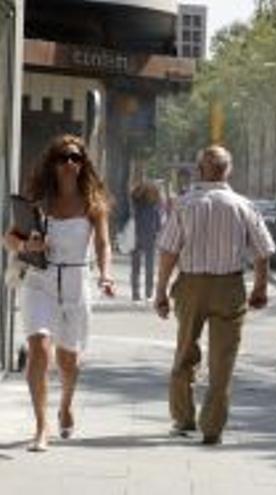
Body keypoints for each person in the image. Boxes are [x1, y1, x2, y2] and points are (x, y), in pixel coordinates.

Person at [154, 145, 275, 446]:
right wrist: (260, 287)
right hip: (229, 287)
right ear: (228, 170)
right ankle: (212, 428)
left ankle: (183, 418)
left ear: (199, 169)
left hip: (191, 285)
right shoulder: (243, 205)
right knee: (223, 359)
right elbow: (263, 251)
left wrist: (160, 291)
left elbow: (169, 251)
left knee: (185, 351)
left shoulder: (184, 204)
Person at [3, 134, 114, 452]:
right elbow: (9, 239)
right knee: (39, 347)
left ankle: (65, 404)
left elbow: (103, 243)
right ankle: (42, 427)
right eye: (63, 158)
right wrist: (27, 245)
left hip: (77, 282)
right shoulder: (38, 201)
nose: (69, 164)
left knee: (69, 361)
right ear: (52, 163)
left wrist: (105, 274)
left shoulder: (94, 203)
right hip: (41, 279)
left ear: (83, 164)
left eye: (76, 158)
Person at [130, 181, 162, 301]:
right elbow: (158, 225)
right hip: (149, 238)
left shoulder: (135, 205)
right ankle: (148, 292)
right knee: (149, 266)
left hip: (135, 238)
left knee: (135, 267)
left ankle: (135, 293)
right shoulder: (154, 207)